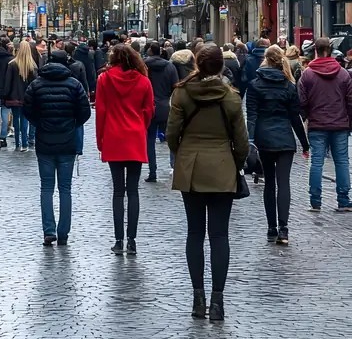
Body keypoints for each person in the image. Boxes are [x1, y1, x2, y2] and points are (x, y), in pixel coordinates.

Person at [166, 43, 249, 322]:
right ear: (222, 66)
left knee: (194, 234)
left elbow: (171, 134)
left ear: (197, 65)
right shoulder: (231, 97)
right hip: (222, 167)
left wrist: (183, 155)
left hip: (190, 167)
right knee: (219, 236)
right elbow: (242, 143)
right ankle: (218, 302)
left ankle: (197, 299)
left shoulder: (182, 93)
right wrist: (233, 164)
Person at [23, 47, 91, 246]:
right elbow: (85, 112)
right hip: (67, 141)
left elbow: (28, 110)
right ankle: (63, 233)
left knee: (46, 187)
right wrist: (72, 123)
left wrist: (40, 123)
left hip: (44, 141)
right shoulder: (74, 85)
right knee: (65, 189)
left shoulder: (36, 85)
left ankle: (48, 230)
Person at [246, 44, 308, 244]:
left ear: (265, 59)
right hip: (285, 140)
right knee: (284, 184)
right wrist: (305, 144)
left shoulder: (255, 85)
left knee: (269, 185)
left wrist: (251, 140)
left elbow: (252, 116)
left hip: (264, 139)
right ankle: (284, 229)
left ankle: (271, 227)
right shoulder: (288, 86)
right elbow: (295, 118)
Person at [96, 44, 154, 255]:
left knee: (118, 192)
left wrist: (100, 140)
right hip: (135, 136)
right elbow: (149, 110)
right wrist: (140, 127)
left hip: (113, 136)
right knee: (133, 191)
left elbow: (100, 111)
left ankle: (118, 240)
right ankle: (132, 240)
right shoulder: (144, 81)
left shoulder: (104, 80)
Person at [298, 36, 352, 212]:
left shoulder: (308, 74)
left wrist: (307, 116)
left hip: (317, 124)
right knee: (342, 161)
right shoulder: (343, 73)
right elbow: (350, 101)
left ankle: (315, 200)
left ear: (316, 50)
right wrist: (348, 120)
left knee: (317, 162)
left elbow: (302, 101)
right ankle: (343, 200)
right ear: (330, 50)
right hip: (340, 124)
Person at [143, 40, 178, 182]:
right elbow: (175, 86)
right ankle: (174, 167)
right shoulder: (170, 66)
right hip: (165, 106)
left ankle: (152, 171)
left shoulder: (143, 66)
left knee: (150, 140)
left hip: (149, 107)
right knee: (172, 139)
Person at [3, 38, 37, 151]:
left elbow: (7, 83)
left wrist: (6, 96)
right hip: (27, 98)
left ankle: (17, 143)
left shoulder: (12, 64)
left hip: (14, 97)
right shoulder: (32, 66)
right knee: (25, 121)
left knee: (16, 120)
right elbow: (34, 84)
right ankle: (25, 144)